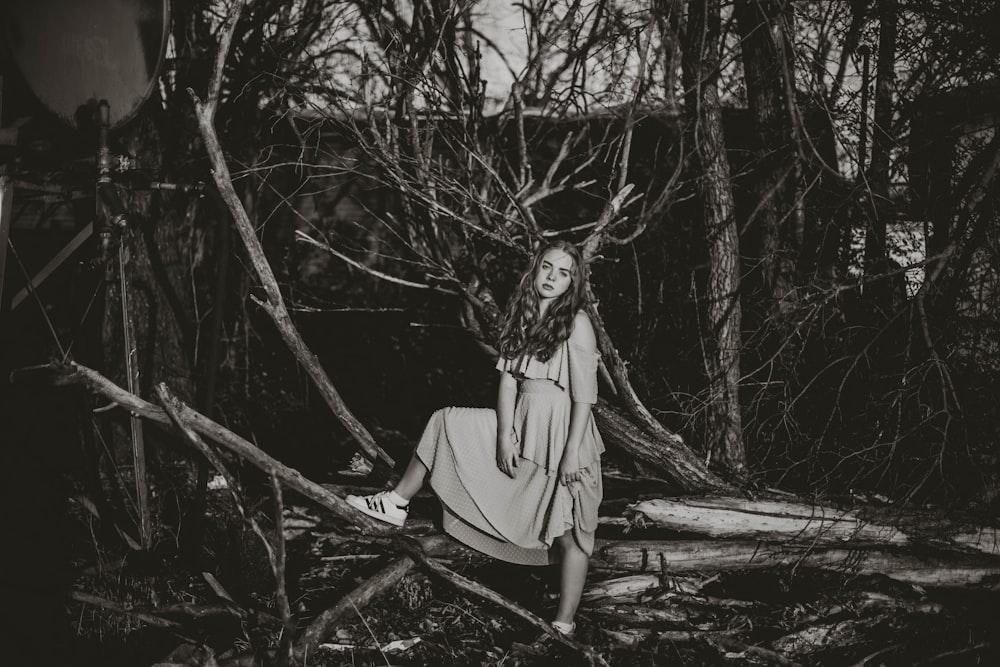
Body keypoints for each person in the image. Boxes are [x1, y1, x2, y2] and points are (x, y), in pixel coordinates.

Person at [347, 241, 604, 636]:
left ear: (574, 282)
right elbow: (507, 380)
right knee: (447, 421)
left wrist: (571, 453)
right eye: (547, 268)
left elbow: (585, 397)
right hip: (522, 422)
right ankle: (396, 502)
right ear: (534, 270)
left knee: (570, 533)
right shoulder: (525, 314)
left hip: (562, 433)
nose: (552, 277)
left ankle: (563, 624)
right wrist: (504, 434)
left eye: (563, 272)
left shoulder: (577, 323)